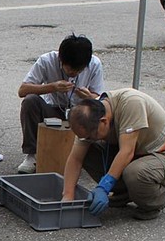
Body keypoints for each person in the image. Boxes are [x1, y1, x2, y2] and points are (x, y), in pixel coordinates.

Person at [63, 89, 165, 221]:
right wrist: (67, 197)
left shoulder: (132, 103)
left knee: (135, 173)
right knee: (87, 152)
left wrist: (104, 187)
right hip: (136, 155)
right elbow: (76, 159)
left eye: (91, 136)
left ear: (104, 121)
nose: (89, 138)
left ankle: (155, 201)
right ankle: (126, 193)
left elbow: (126, 152)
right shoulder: (89, 118)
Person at [17, 34, 105, 174]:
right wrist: (52, 87)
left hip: (79, 113)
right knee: (30, 101)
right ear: (61, 60)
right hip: (53, 110)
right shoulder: (46, 60)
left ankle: (87, 155)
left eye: (79, 71)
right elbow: (23, 90)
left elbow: (100, 99)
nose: (73, 74)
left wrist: (90, 97)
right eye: (70, 70)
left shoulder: (95, 64)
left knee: (100, 112)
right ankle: (32, 155)